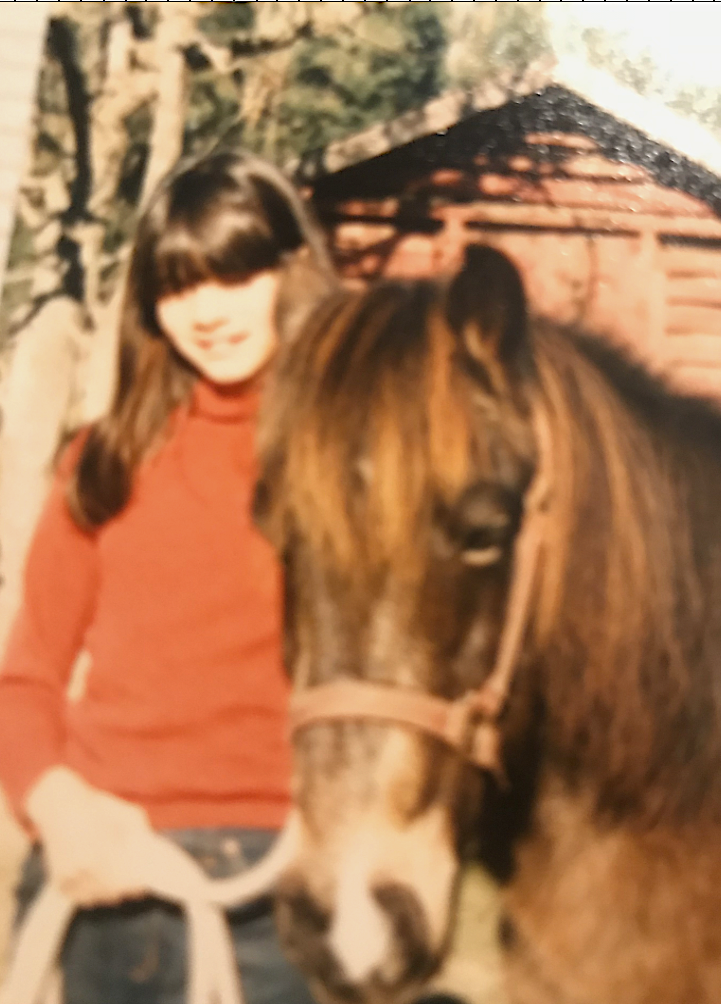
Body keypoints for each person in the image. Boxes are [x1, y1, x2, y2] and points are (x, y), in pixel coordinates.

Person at [0, 150, 337, 1004]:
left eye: (237, 275)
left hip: (280, 885)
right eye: (179, 286)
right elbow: (25, 680)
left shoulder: (351, 461)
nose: (208, 312)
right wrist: (58, 808)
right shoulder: (104, 460)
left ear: (294, 268)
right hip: (106, 874)